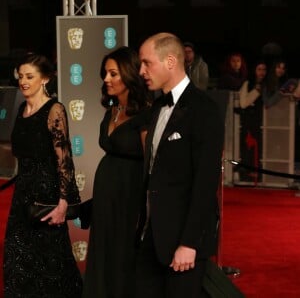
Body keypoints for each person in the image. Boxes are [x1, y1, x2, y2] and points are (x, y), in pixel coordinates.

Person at [136, 32, 224, 298]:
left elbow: (206, 183)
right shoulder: (157, 108)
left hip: (183, 244)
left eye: (146, 63)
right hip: (151, 237)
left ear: (171, 61)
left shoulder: (204, 110)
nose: (141, 71)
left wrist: (189, 243)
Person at [3, 53, 83, 297]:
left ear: (45, 79)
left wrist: (62, 203)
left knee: (50, 263)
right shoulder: (21, 111)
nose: (23, 81)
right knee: (17, 260)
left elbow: (64, 161)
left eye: (30, 76)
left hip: (47, 198)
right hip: (22, 197)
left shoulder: (54, 110)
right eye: (21, 76)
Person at [82, 46, 151, 298]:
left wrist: (144, 212)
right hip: (105, 198)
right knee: (103, 255)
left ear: (129, 74)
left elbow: (150, 165)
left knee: (123, 258)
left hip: (129, 198)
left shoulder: (145, 113)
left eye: (113, 73)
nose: (106, 79)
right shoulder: (111, 110)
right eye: (105, 73)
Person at [238, 59, 267, 183]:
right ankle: (247, 175)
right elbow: (243, 104)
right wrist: (256, 91)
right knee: (249, 149)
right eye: (259, 69)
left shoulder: (269, 85)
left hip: (266, 124)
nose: (262, 72)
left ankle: (261, 176)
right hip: (250, 123)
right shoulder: (248, 83)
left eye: (264, 70)